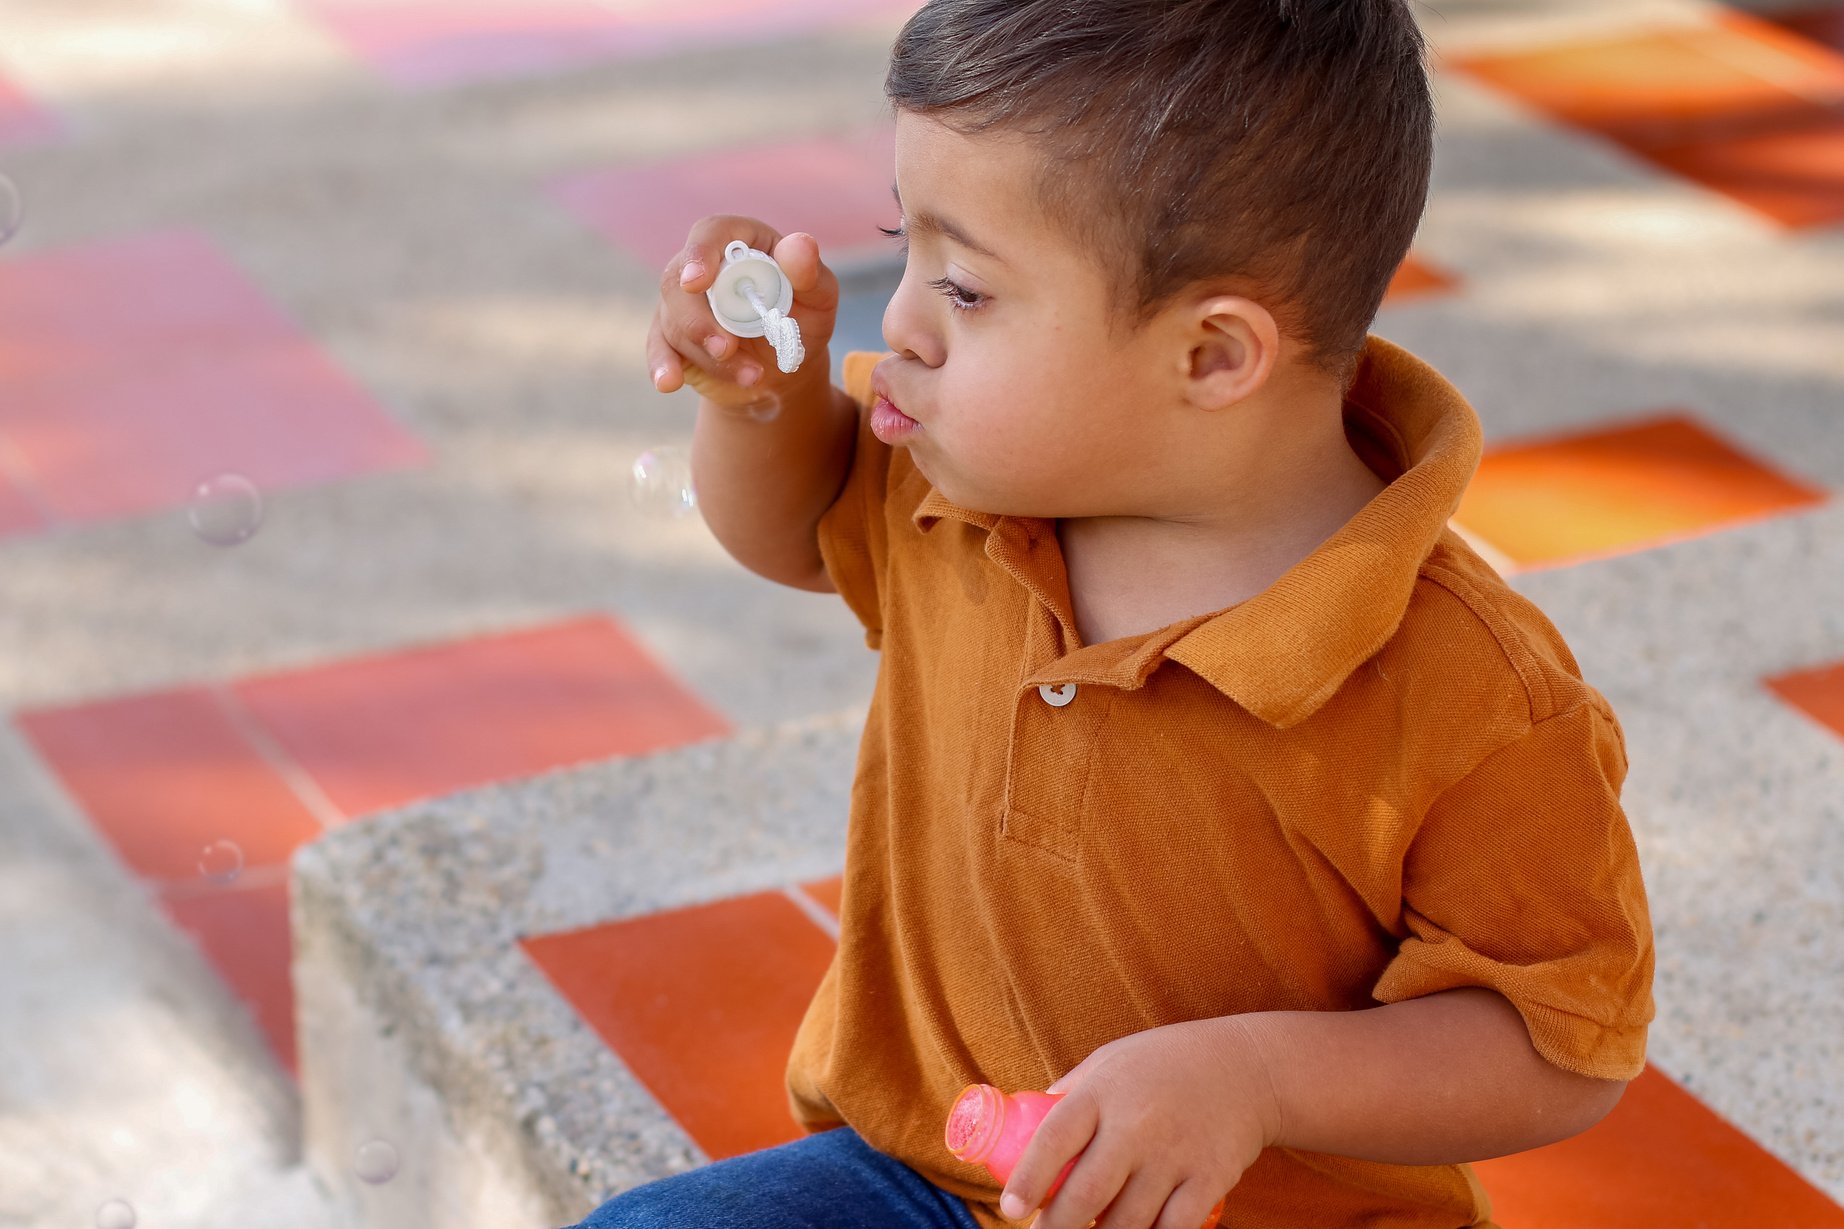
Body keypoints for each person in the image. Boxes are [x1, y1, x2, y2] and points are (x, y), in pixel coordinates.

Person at [583, 1, 1656, 1225]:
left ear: (1209, 356)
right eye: (903, 243)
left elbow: (1554, 1041)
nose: (901, 325)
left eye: (969, 290)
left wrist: (1249, 1077)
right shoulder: (970, 488)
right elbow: (795, 526)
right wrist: (755, 400)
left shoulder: (1470, 692)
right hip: (921, 1179)